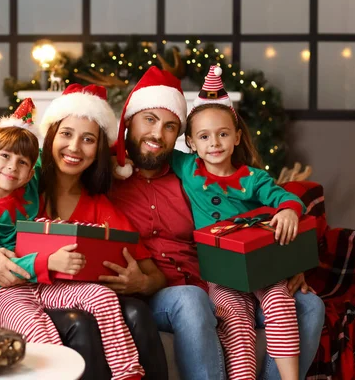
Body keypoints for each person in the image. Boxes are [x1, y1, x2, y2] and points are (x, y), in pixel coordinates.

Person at [0, 86, 168, 380]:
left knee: (114, 305)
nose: (74, 147)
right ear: (51, 137)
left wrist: (141, 282)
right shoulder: (26, 183)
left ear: (98, 150)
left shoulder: (96, 206)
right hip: (8, 293)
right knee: (76, 323)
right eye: (66, 134)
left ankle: (128, 375)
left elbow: (155, 276)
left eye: (88, 140)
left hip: (48, 288)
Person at [110, 66, 325, 379]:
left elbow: (277, 202)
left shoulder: (189, 172)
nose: (157, 134)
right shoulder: (106, 176)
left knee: (311, 306)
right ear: (129, 122)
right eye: (150, 120)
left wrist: (288, 258)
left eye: (170, 126)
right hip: (171, 290)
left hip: (221, 276)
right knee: (195, 300)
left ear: (179, 138)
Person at [169, 66, 302, 379]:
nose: (214, 143)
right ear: (190, 142)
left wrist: (288, 211)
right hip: (221, 273)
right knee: (233, 317)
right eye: (204, 136)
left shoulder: (254, 179)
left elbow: (288, 198)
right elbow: (146, 147)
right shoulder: (187, 167)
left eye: (223, 134)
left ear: (237, 136)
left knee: (281, 301)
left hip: (261, 265)